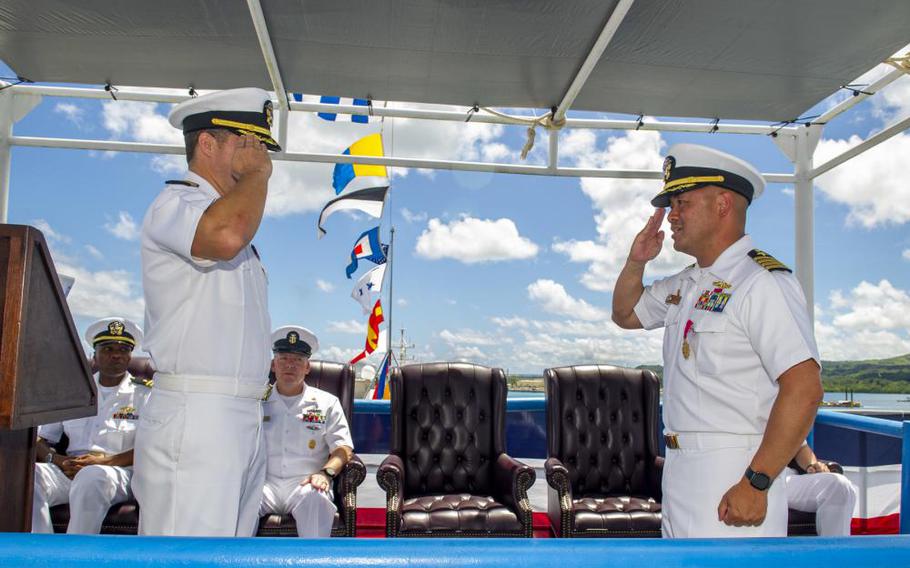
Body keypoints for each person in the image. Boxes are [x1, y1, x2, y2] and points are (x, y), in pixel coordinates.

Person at [611, 143, 824, 538]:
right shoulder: (689, 283)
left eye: (682, 202)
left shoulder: (762, 282)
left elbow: (804, 387)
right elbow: (626, 314)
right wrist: (637, 260)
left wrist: (756, 483)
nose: (671, 215)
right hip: (680, 471)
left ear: (724, 204)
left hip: (734, 474)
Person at [133, 87, 279, 536]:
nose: (257, 157)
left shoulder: (226, 220)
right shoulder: (176, 205)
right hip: (198, 414)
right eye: (246, 143)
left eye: (261, 147)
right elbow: (224, 236)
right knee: (187, 554)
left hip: (244, 416)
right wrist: (259, 176)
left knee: (228, 555)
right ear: (207, 144)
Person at [32, 317, 149, 534]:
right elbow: (40, 437)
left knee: (92, 476)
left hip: (118, 473)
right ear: (94, 353)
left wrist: (105, 461)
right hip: (70, 470)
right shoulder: (73, 392)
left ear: (130, 355)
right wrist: (58, 460)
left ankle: (73, 557)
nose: (116, 355)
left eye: (123, 349)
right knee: (32, 476)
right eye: (107, 348)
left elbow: (152, 446)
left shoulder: (145, 395)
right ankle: (42, 553)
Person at [260, 326, 353, 537]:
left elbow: (343, 448)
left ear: (307, 367)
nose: (290, 365)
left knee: (317, 499)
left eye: (298, 360)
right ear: (273, 365)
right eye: (283, 358)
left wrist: (326, 473)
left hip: (305, 483)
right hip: (264, 483)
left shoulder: (327, 403)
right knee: (235, 502)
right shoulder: (256, 401)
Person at [786, 441, 857, 536]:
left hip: (786, 478)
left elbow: (800, 447)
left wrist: (812, 465)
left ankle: (835, 549)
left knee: (839, 485)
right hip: (763, 479)